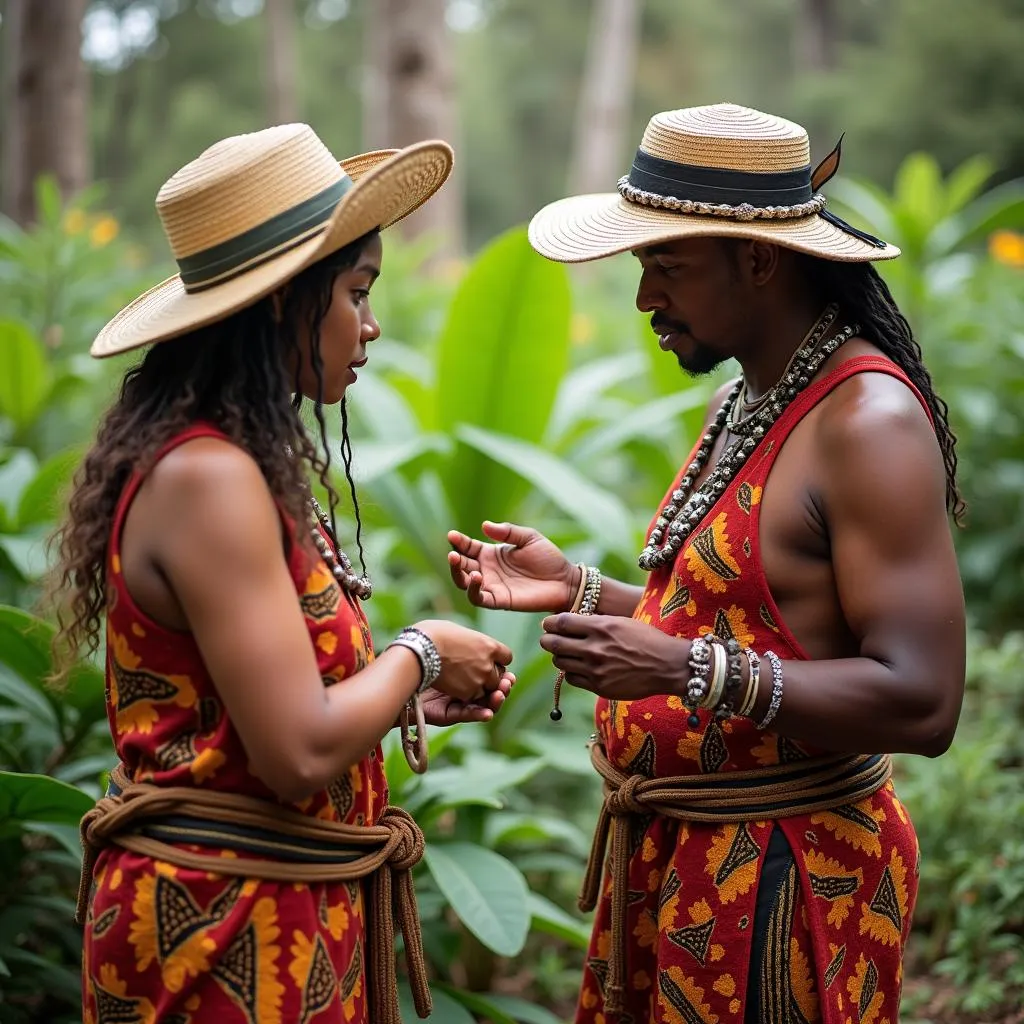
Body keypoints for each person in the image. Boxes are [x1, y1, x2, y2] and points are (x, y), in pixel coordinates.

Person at [447, 103, 966, 1024]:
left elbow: (925, 701)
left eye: (667, 265)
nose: (646, 297)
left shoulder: (866, 423)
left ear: (758, 259)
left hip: (788, 884)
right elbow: (749, 617)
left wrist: (683, 670)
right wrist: (582, 589)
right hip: (682, 868)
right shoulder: (750, 395)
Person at [52, 124, 516, 1024]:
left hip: (268, 922)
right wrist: (419, 653)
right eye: (356, 291)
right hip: (222, 941)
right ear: (279, 304)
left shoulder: (227, 460)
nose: (371, 324)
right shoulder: (209, 477)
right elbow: (296, 750)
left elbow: (250, 716)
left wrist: (388, 701)